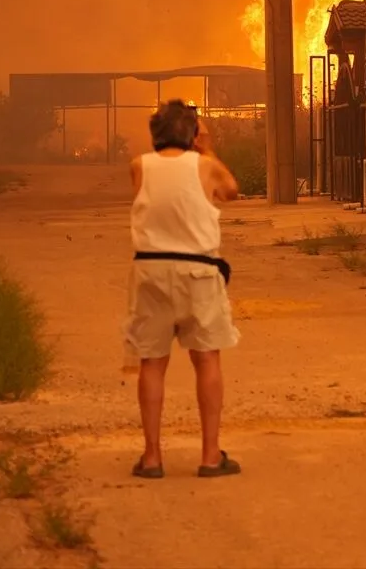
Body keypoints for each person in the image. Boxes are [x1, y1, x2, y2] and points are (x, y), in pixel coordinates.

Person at [123, 100, 242, 478]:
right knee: (206, 358)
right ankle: (210, 456)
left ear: (154, 133)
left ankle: (153, 457)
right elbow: (231, 191)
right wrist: (206, 146)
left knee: (152, 363)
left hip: (151, 271)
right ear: (193, 133)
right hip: (198, 271)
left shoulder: (139, 166)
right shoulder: (205, 165)